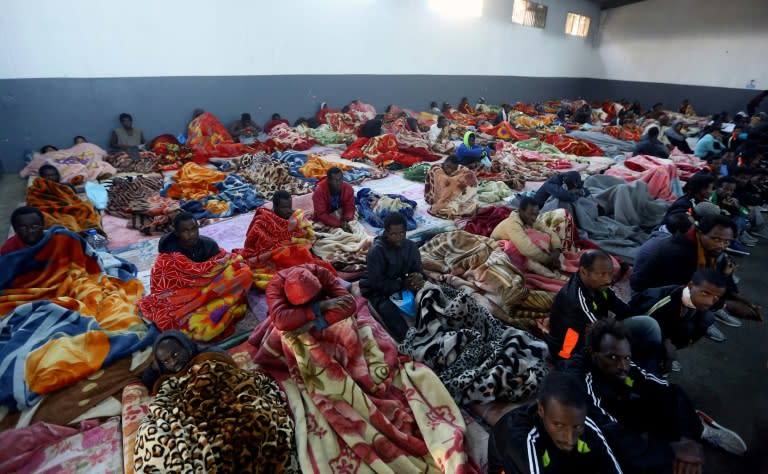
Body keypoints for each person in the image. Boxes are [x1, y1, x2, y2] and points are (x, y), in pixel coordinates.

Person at [247, 263, 476, 472]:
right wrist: (315, 310)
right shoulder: (276, 285)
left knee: (347, 332)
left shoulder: (322, 274)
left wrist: (317, 316)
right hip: (301, 320)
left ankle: (351, 371)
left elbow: (348, 305)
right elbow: (282, 320)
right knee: (290, 339)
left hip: (322, 316)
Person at [566, 319, 746, 474]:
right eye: (612, 357)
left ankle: (699, 428)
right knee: (630, 457)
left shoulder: (622, 366)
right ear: (592, 353)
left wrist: (686, 439)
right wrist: (670, 452)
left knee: (668, 398)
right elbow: (604, 428)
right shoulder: (579, 379)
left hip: (616, 410)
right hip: (589, 431)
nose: (623, 366)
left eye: (627, 358)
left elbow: (664, 388)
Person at [139, 212, 252, 341]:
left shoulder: (209, 246)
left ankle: (213, 301)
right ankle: (207, 305)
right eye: (185, 231)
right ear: (176, 233)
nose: (191, 234)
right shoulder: (167, 257)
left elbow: (225, 262)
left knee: (244, 271)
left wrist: (211, 277)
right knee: (172, 318)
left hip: (210, 288)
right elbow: (160, 288)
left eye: (194, 229)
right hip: (183, 296)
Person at [487, 371, 623, 474]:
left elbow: (612, 467)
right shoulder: (522, 439)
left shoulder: (583, 423)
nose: (570, 439)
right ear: (541, 410)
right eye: (559, 425)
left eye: (577, 426)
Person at [548, 250, 663, 371]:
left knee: (648, 324)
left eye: (610, 273)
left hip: (595, 335)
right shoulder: (576, 302)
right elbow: (601, 336)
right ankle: (650, 369)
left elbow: (625, 310)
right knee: (624, 365)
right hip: (570, 352)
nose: (608, 280)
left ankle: (654, 363)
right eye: (602, 274)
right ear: (584, 271)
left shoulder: (599, 286)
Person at [233, 190, 335, 289]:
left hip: (289, 246)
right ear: (275, 206)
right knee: (296, 255)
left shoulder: (294, 216)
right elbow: (249, 244)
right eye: (284, 207)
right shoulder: (262, 220)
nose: (288, 210)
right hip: (269, 253)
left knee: (304, 252)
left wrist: (298, 237)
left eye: (289, 207)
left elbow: (304, 232)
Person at [630, 269, 727, 362]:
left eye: (716, 297)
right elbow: (643, 324)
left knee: (707, 318)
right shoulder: (665, 301)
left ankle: (667, 352)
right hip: (641, 328)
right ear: (690, 286)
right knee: (685, 328)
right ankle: (657, 355)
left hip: (671, 322)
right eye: (705, 293)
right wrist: (665, 343)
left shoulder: (697, 297)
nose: (709, 302)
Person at [359, 212, 424, 341]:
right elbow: (377, 283)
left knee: (426, 295)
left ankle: (431, 328)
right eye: (394, 234)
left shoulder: (410, 247)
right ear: (386, 233)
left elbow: (417, 269)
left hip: (402, 283)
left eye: (402, 233)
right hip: (379, 289)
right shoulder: (376, 252)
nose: (399, 238)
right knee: (386, 309)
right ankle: (409, 341)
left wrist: (417, 276)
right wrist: (402, 284)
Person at [26, 164, 103, 235]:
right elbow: (32, 203)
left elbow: (74, 200)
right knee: (63, 221)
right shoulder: (34, 189)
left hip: (67, 209)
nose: (50, 178)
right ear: (41, 177)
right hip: (48, 211)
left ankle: (85, 233)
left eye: (53, 175)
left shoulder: (65, 187)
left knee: (85, 208)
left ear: (58, 176)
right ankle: (73, 234)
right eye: (47, 175)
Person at [141, 329, 228, 391]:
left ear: (186, 346)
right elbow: (148, 381)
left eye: (175, 354)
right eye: (166, 361)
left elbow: (222, 357)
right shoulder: (165, 369)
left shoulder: (202, 354)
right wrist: (153, 368)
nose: (173, 362)